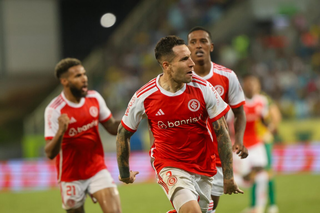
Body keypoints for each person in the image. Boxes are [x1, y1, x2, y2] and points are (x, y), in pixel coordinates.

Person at [116, 35, 243, 213]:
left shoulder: (203, 88)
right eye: (184, 59)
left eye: (190, 57)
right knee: (192, 210)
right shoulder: (144, 96)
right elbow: (123, 133)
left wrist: (228, 177)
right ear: (167, 65)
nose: (192, 63)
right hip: (169, 164)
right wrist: (124, 173)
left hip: (204, 165)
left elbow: (222, 132)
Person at [44, 58, 122, 213]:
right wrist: (61, 131)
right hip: (70, 176)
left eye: (84, 74)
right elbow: (50, 153)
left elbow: (112, 127)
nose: (84, 78)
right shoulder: (54, 110)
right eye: (78, 76)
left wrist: (134, 118)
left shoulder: (94, 98)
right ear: (65, 81)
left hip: (97, 169)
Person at [187, 26, 248, 213]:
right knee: (190, 204)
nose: (198, 45)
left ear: (211, 47)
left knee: (210, 206)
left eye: (203, 41)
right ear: (187, 48)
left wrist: (238, 139)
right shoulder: (180, 79)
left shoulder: (227, 76)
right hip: (188, 152)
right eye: (193, 42)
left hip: (218, 151)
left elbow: (239, 113)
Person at [234, 74, 270, 213]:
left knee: (262, 175)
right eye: (249, 84)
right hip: (240, 146)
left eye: (254, 84)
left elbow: (264, 119)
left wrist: (269, 127)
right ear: (244, 85)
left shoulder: (262, 101)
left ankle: (258, 209)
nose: (252, 87)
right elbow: (228, 123)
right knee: (246, 180)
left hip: (256, 144)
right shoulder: (236, 102)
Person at [250, 92, 281, 213]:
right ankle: (254, 206)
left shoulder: (264, 100)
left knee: (267, 172)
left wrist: (271, 128)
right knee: (253, 173)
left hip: (264, 140)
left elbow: (276, 115)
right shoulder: (245, 100)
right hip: (252, 142)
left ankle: (273, 205)